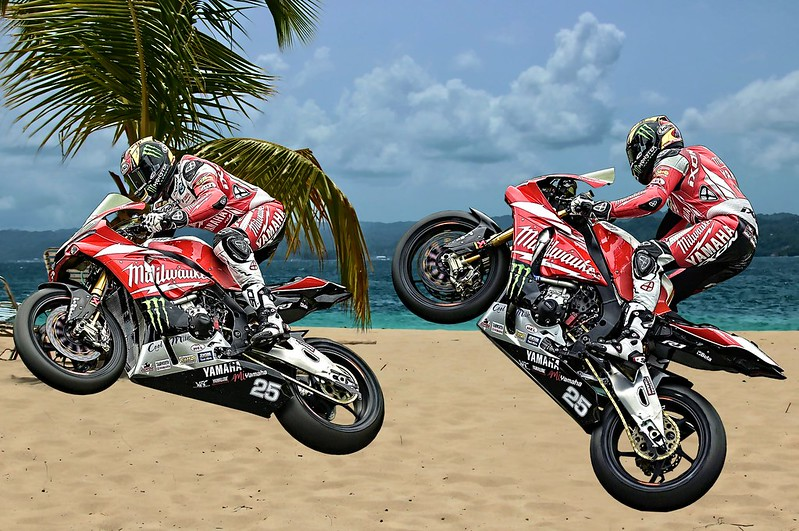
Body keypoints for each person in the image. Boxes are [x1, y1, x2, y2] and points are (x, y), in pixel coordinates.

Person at [570, 115, 758, 362]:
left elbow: (652, 199)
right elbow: (667, 236)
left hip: (728, 226)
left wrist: (605, 208)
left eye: (638, 147)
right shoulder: (686, 188)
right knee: (664, 291)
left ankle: (631, 339)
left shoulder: (677, 158)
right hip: (740, 246)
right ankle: (659, 353)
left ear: (655, 141)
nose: (635, 158)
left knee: (646, 256)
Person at [120, 136, 289, 345]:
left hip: (263, 211)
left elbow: (215, 199)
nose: (140, 185)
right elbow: (156, 245)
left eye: (140, 176)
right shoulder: (163, 203)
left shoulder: (190, 168)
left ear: (154, 165)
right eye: (135, 181)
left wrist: (171, 218)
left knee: (226, 242)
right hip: (238, 232)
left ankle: (272, 317)